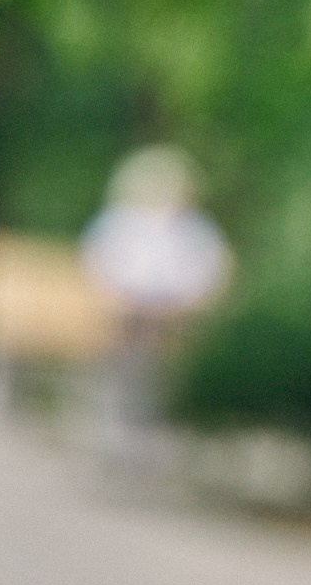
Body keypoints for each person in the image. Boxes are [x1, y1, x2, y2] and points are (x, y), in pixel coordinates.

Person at [81, 145, 231, 470]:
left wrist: (186, 303)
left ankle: (157, 435)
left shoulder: (195, 229)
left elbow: (211, 273)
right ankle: (122, 433)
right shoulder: (120, 222)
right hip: (127, 313)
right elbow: (99, 265)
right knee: (127, 365)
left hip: (176, 316)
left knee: (167, 370)